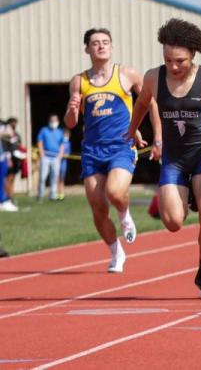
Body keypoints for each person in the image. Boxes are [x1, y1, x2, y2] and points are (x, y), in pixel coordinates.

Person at [127, 18, 201, 299]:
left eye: (180, 61)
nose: (174, 67)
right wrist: (133, 131)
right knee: (174, 223)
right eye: (168, 60)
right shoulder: (154, 77)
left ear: (193, 55)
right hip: (174, 159)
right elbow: (141, 104)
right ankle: (186, 196)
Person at [65, 27, 159, 273]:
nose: (101, 46)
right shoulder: (79, 81)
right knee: (97, 207)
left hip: (120, 146)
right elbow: (71, 123)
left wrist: (156, 135)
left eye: (105, 42)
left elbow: (150, 104)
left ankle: (125, 216)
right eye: (95, 43)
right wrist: (73, 110)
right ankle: (116, 253)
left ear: (112, 46)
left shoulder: (127, 74)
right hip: (92, 151)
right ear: (87, 49)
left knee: (115, 192)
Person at [36, 114, 66, 201]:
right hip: (46, 157)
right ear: (49, 121)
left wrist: (60, 154)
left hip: (56, 157)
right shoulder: (44, 130)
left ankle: (52, 195)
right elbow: (40, 142)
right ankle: (40, 195)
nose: (54, 122)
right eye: (52, 120)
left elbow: (62, 144)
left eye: (55, 120)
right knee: (42, 177)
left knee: (55, 177)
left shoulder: (60, 132)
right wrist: (42, 154)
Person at [56, 128, 72, 201]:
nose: (66, 136)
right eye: (65, 135)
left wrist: (64, 155)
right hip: (57, 163)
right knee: (56, 179)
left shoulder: (68, 144)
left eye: (67, 135)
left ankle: (62, 194)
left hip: (63, 163)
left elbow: (68, 154)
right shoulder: (58, 143)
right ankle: (56, 194)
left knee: (62, 179)